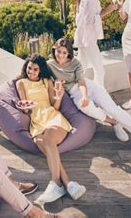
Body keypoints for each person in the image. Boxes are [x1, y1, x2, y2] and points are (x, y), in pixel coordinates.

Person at [47, 38, 131, 164]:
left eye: (64, 53)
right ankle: (114, 123)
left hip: (88, 87)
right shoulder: (50, 65)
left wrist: (85, 96)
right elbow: (32, 66)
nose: (61, 55)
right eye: (59, 51)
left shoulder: (75, 63)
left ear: (69, 53)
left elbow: (81, 81)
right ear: (54, 50)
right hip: (74, 93)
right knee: (86, 108)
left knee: (113, 110)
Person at [15, 54, 86, 204]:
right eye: (29, 68)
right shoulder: (21, 83)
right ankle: (68, 183)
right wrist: (25, 109)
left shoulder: (46, 81)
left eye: (35, 69)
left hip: (52, 117)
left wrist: (59, 96)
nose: (31, 72)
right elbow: (24, 104)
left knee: (47, 139)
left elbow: (55, 106)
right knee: (44, 142)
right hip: (36, 122)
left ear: (40, 71)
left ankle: (55, 183)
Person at [74, 0, 118, 87]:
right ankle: (100, 98)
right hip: (88, 39)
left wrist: (109, 9)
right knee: (99, 70)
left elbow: (90, 18)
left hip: (84, 38)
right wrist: (109, 9)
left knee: (81, 69)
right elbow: (89, 20)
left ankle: (78, 94)